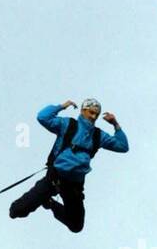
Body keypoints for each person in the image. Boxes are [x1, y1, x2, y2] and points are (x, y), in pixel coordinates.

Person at [9, 98, 129, 233]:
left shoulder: (98, 135)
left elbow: (123, 146)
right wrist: (62, 106)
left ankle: (49, 203)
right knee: (17, 210)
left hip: (74, 187)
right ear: (83, 111)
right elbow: (42, 117)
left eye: (96, 114)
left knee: (76, 225)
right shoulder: (67, 124)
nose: (93, 116)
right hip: (54, 178)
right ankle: (27, 204)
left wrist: (115, 124)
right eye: (91, 112)